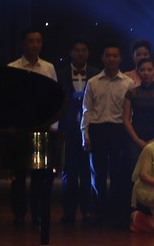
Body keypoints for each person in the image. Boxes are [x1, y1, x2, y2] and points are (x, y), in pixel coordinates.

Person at [82, 44, 136, 227]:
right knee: (97, 173)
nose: (111, 59)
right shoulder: (93, 82)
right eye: (108, 56)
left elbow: (130, 112)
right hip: (97, 129)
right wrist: (84, 134)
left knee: (117, 174)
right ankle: (99, 212)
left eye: (115, 56)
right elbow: (86, 110)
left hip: (118, 129)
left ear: (120, 58)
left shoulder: (128, 83)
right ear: (102, 58)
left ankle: (115, 213)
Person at [8, 28, 57, 226]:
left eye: (38, 41)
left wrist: (53, 125)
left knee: (40, 174)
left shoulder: (48, 68)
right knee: (18, 174)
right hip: (20, 127)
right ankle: (19, 213)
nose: (35, 45)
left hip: (42, 125)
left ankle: (37, 213)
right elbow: (8, 100)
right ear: (23, 43)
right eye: (31, 41)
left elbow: (55, 98)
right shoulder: (12, 67)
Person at [59, 39, 95, 225]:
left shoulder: (96, 74)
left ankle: (88, 211)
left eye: (84, 50)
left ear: (88, 53)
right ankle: (69, 212)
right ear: (71, 53)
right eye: (77, 50)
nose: (80, 53)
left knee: (88, 172)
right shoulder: (60, 74)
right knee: (69, 172)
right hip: (68, 130)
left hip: (89, 129)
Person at [123, 58, 154, 152]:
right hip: (135, 135)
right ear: (137, 72)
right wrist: (137, 140)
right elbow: (126, 119)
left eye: (149, 70)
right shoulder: (131, 93)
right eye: (142, 70)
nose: (146, 73)